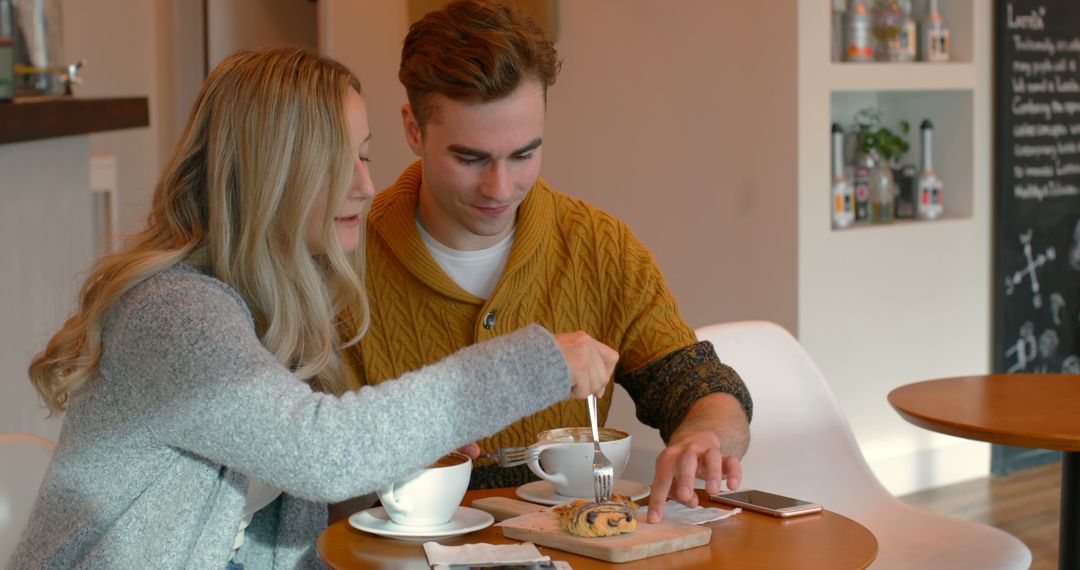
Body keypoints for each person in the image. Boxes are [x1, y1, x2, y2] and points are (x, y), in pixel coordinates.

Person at [9, 47, 617, 569]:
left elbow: (287, 508)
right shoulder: (173, 313)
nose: (367, 185)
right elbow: (320, 453)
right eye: (339, 161)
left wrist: (397, 460)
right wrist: (536, 362)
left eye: (366, 155)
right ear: (276, 171)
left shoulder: (272, 310)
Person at [340, 0, 753, 524]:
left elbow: (697, 383)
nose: (500, 187)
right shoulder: (341, 259)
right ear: (414, 130)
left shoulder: (601, 247)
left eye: (524, 154)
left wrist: (706, 433)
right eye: (470, 159)